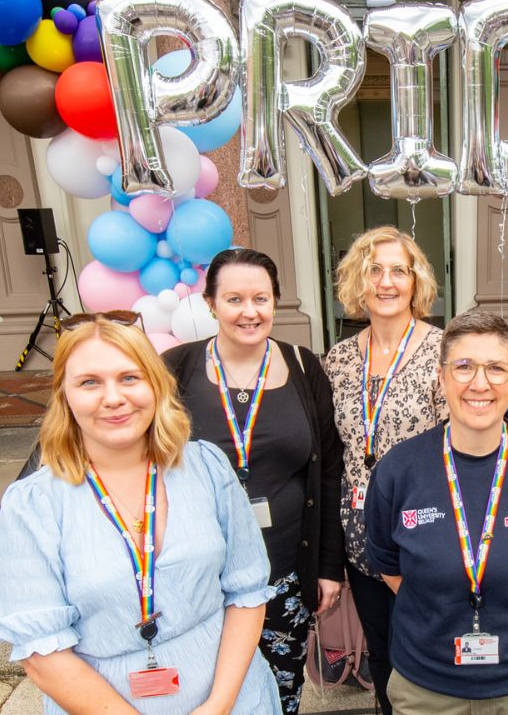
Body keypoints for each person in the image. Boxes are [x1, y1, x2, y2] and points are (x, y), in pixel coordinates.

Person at [0, 311, 282, 715]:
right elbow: (40, 653)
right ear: (64, 395)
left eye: (129, 377)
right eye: (90, 382)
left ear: (156, 386)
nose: (113, 398)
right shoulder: (33, 505)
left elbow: (246, 593)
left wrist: (219, 705)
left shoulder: (206, 467)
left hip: (234, 698)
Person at [366, 311, 508, 714]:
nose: (480, 383)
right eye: (464, 366)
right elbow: (388, 566)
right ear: (441, 376)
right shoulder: (398, 469)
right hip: (426, 686)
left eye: (496, 368)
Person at [163, 248, 346, 715]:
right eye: (234, 299)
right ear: (210, 304)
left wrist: (326, 567)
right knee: (209, 695)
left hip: (283, 573)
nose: (250, 312)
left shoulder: (304, 367)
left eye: (261, 299)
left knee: (282, 694)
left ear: (276, 301)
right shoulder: (174, 370)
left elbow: (327, 470)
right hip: (203, 579)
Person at [322, 225, 448, 714]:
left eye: (399, 270)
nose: (386, 281)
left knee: (426, 650)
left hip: (424, 536)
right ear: (358, 280)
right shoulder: (338, 361)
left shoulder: (444, 351)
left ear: (416, 282)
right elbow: (336, 453)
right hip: (360, 539)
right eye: (374, 270)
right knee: (382, 653)